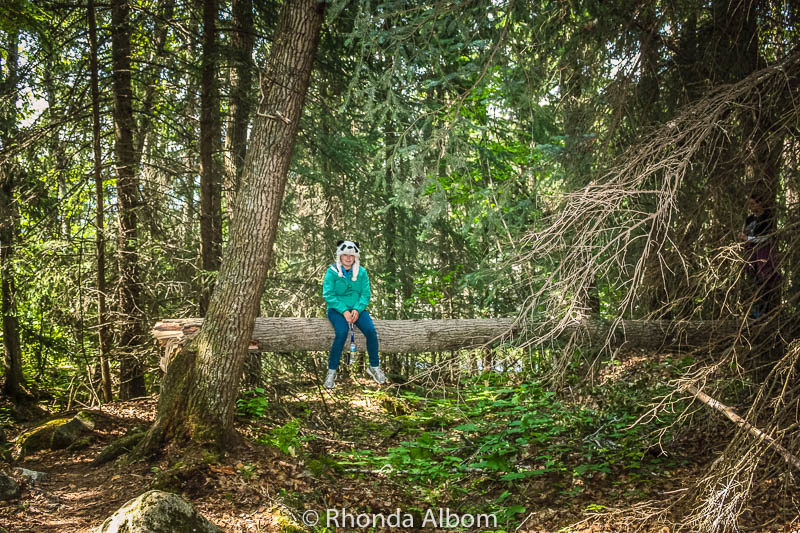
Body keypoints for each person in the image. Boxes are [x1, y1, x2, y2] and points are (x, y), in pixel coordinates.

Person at [321, 240, 386, 388]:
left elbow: (365, 294)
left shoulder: (362, 272)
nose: (348, 258)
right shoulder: (331, 271)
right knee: (341, 332)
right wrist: (344, 311)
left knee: (370, 331)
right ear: (340, 255)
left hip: (358, 309)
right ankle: (331, 372)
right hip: (337, 310)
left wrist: (357, 309)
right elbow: (328, 294)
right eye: (345, 255)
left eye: (351, 255)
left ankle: (374, 367)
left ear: (356, 256)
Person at [738, 194, 781, 318]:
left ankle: (764, 311)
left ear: (760, 203)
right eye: (749, 204)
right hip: (751, 253)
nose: (750, 207)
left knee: (765, 279)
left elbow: (767, 237)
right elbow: (746, 233)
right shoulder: (749, 219)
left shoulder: (767, 217)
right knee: (754, 280)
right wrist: (743, 237)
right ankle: (755, 311)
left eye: (753, 204)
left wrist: (749, 238)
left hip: (764, 251)